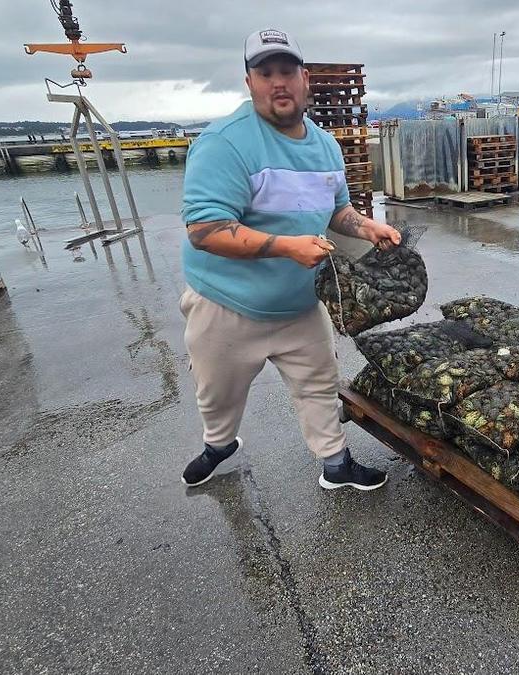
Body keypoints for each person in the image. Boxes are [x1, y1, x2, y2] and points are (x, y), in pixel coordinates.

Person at [177, 28, 400, 490]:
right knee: (218, 395)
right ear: (249, 82)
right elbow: (204, 230)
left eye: (286, 71)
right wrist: (286, 246)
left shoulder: (325, 146)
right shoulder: (225, 143)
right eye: (265, 72)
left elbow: (336, 209)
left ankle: (336, 464)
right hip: (226, 305)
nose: (278, 82)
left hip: (300, 304)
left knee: (319, 385)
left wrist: (366, 226)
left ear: (305, 79)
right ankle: (219, 444)